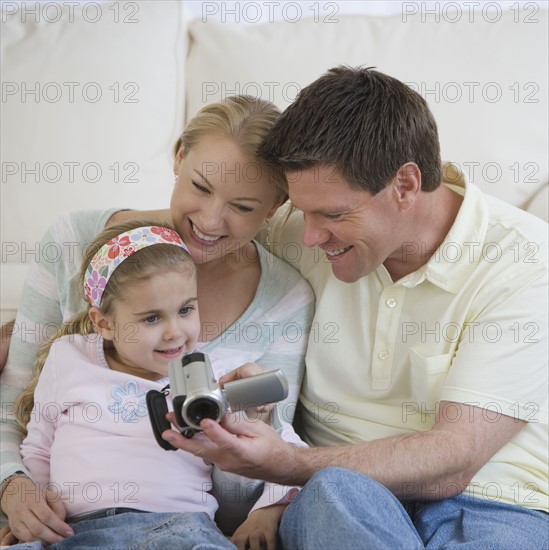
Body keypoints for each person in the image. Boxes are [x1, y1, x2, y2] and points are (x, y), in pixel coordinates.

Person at [161, 67, 549, 549]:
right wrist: (104, 228)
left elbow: (456, 457)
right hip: (342, 495)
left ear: (405, 185)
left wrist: (286, 463)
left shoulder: (526, 260)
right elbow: (203, 224)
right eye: (302, 212)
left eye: (333, 215)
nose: (308, 236)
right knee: (332, 495)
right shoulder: (304, 228)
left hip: (493, 504)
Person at [0, 96, 314, 546]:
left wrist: (248, 431)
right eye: (201, 187)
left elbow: (264, 473)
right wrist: (15, 489)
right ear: (179, 156)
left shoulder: (285, 300)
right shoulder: (72, 243)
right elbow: (14, 411)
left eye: (242, 207)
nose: (209, 221)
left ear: (275, 206)